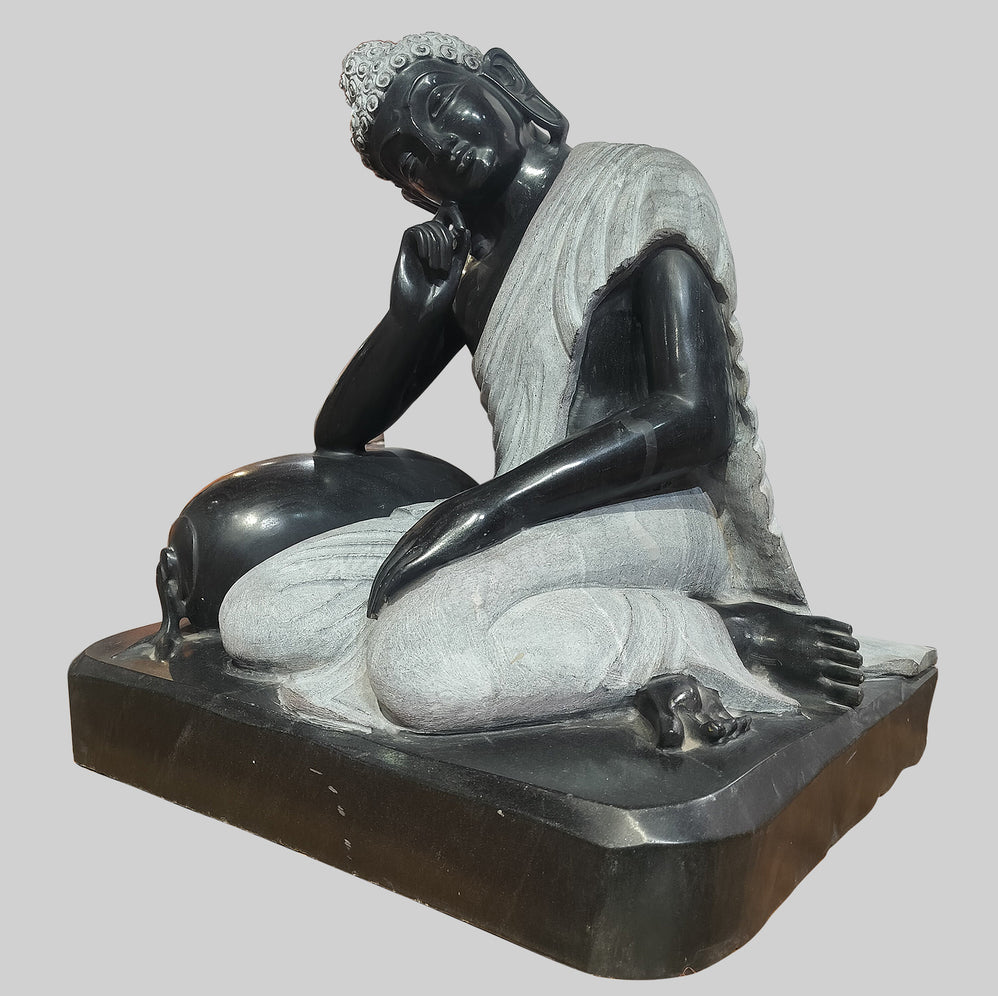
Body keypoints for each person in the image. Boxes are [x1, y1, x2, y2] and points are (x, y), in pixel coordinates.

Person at [220, 32, 925, 742]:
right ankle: (556, 635)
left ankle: (718, 634)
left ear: (506, 79)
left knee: (419, 667)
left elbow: (696, 416)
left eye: (440, 102)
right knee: (260, 613)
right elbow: (339, 433)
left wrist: (486, 510)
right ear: (413, 192)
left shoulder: (639, 184)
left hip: (651, 516)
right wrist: (412, 316)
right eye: (410, 159)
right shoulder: (469, 270)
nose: (437, 145)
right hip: (522, 516)